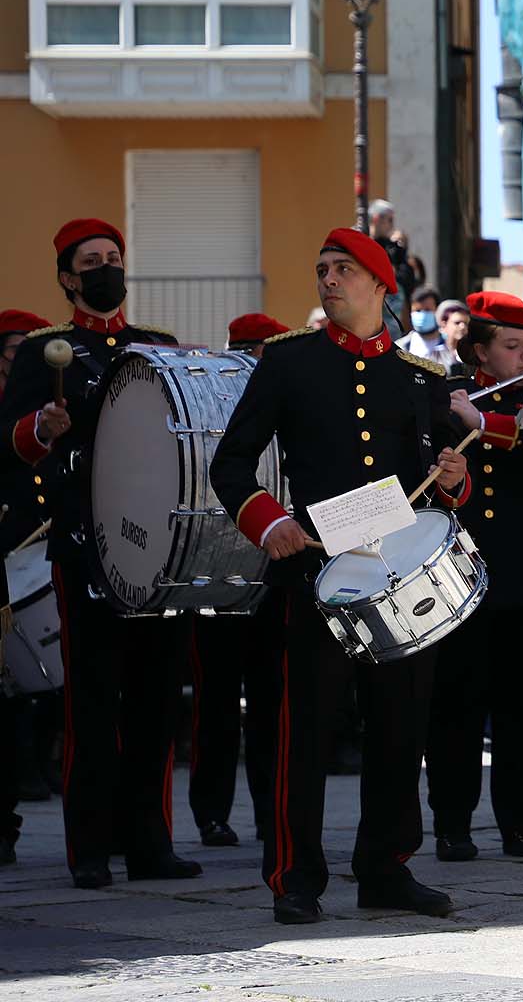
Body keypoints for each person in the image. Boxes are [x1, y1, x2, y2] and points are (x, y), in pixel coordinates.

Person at [210, 226, 474, 922]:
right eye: (322, 268)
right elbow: (230, 463)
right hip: (315, 573)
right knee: (306, 731)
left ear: (380, 284)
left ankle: (386, 868)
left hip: (400, 573)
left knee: (400, 727)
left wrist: (454, 477)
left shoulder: (421, 378)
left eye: (344, 269)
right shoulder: (290, 363)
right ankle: (295, 875)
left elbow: (443, 479)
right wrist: (270, 523)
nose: (328, 279)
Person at [0, 219, 196, 890]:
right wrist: (40, 428)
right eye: (92, 261)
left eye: (114, 258)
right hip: (85, 544)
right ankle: (89, 848)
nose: (106, 268)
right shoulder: (45, 352)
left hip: (160, 549)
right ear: (67, 277)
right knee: (92, 703)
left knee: (155, 701)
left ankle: (151, 843)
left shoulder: (157, 348)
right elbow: (12, 442)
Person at [426, 291, 523, 861]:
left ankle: (519, 821)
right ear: (479, 352)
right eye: (512, 346)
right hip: (462, 574)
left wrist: (481, 420)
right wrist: (459, 412)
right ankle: (452, 823)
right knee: (457, 703)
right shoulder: (441, 392)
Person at [186, 312, 290, 850]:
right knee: (217, 702)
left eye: (261, 352)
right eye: (244, 350)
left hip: (274, 570)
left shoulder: (292, 402)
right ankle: (212, 813)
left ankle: (271, 811)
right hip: (218, 565)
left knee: (273, 701)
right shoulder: (210, 407)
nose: (252, 361)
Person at [0, 307, 52, 868]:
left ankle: (7, 820)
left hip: (32, 554)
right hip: (8, 548)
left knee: (13, 695)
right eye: (12, 351)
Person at [366, 200, 418, 304]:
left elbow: (407, 281)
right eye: (390, 220)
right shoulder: (361, 244)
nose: (392, 225)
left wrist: (403, 250)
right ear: (376, 219)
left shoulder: (394, 248)